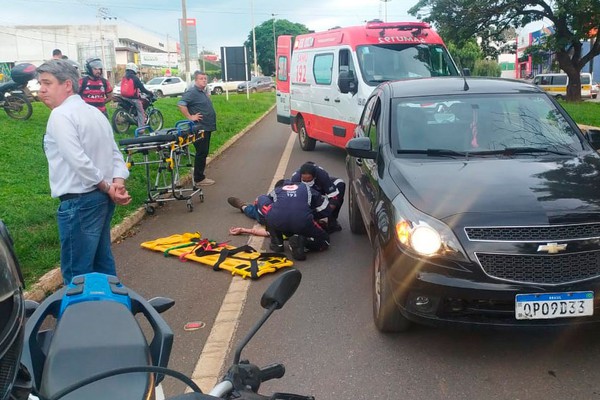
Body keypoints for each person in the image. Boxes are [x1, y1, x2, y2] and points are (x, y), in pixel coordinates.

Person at [37, 59, 132, 284]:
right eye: (40, 83)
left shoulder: (60, 115)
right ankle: (111, 311)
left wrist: (110, 187)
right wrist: (117, 183)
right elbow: (115, 154)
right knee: (102, 265)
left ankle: (83, 316)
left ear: (67, 85)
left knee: (77, 273)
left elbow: (78, 161)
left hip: (79, 202)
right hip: (100, 200)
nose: (41, 89)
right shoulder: (94, 113)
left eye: (47, 83)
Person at [265, 179, 331, 261]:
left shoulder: (276, 191)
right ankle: (303, 243)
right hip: (301, 221)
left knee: (269, 213)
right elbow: (326, 208)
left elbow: (265, 206)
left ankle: (277, 243)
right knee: (325, 241)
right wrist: (313, 215)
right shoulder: (306, 188)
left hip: (278, 220)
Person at [178, 70, 217, 186]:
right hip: (200, 127)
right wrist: (190, 117)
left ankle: (199, 175)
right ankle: (199, 178)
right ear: (196, 80)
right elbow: (181, 104)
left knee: (203, 152)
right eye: (201, 78)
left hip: (207, 126)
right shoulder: (192, 92)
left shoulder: (202, 91)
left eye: (205, 78)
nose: (204, 80)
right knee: (202, 152)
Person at [291, 161, 345, 233]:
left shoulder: (322, 176)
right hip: (304, 195)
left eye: (309, 179)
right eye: (304, 180)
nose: (306, 182)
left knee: (340, 184)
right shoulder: (295, 179)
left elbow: (334, 197)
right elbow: (292, 200)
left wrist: (324, 213)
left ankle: (332, 221)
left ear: (315, 177)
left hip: (321, 189)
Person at [121, 62, 154, 128]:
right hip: (133, 99)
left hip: (124, 97)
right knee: (141, 112)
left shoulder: (124, 77)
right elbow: (142, 89)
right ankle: (141, 129)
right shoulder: (135, 78)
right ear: (134, 69)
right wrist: (149, 93)